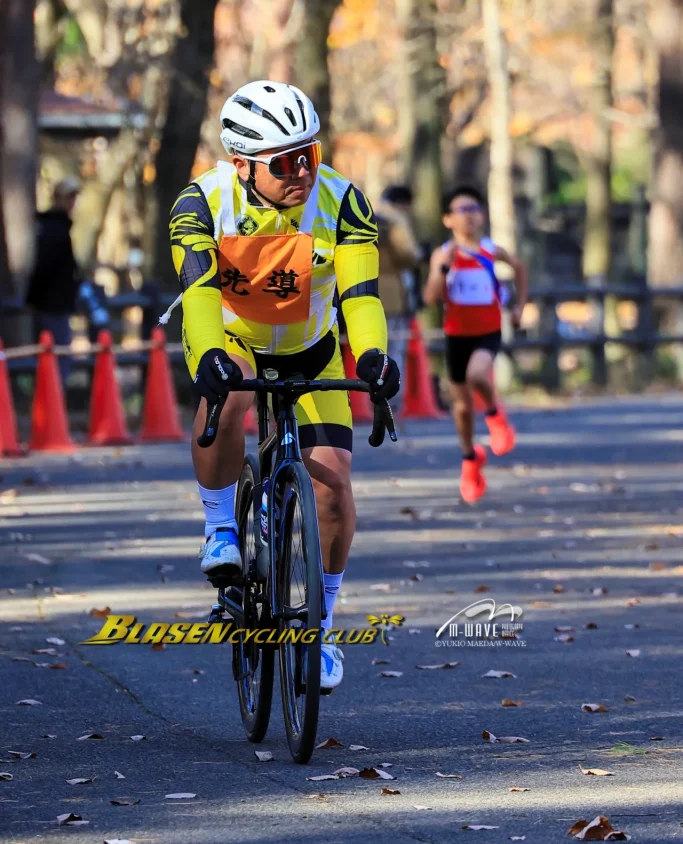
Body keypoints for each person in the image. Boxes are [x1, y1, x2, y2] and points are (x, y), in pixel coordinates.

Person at [168, 80, 400, 691]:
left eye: (309, 154)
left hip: (311, 349)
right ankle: (220, 525)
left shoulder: (343, 202)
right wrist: (210, 354)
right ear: (242, 164)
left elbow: (361, 296)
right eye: (283, 162)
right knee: (229, 392)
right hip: (234, 338)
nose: (301, 171)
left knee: (333, 491)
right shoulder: (201, 203)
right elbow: (199, 294)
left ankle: (320, 627)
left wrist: (373, 355)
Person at [423, 185, 528, 505]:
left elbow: (519, 268)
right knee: (462, 407)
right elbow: (430, 297)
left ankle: (496, 416)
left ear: (482, 216)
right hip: (457, 335)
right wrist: (443, 268)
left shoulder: (491, 249)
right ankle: (470, 460)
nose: (469, 216)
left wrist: (519, 307)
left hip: (488, 331)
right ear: (448, 219)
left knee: (478, 375)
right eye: (462, 210)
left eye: (474, 209)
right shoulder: (443, 254)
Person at [26, 176, 82, 381]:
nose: (72, 202)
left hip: (54, 302)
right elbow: (47, 267)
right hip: (52, 304)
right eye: (68, 197)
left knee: (56, 354)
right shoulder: (54, 229)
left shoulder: (56, 227)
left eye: (74, 197)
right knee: (57, 356)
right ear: (57, 198)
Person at [375, 184, 422, 411]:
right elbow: (408, 254)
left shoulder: (366, 216)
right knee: (394, 348)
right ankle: (392, 400)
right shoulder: (395, 221)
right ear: (403, 204)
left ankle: (370, 396)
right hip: (393, 293)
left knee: (373, 348)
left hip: (365, 291)